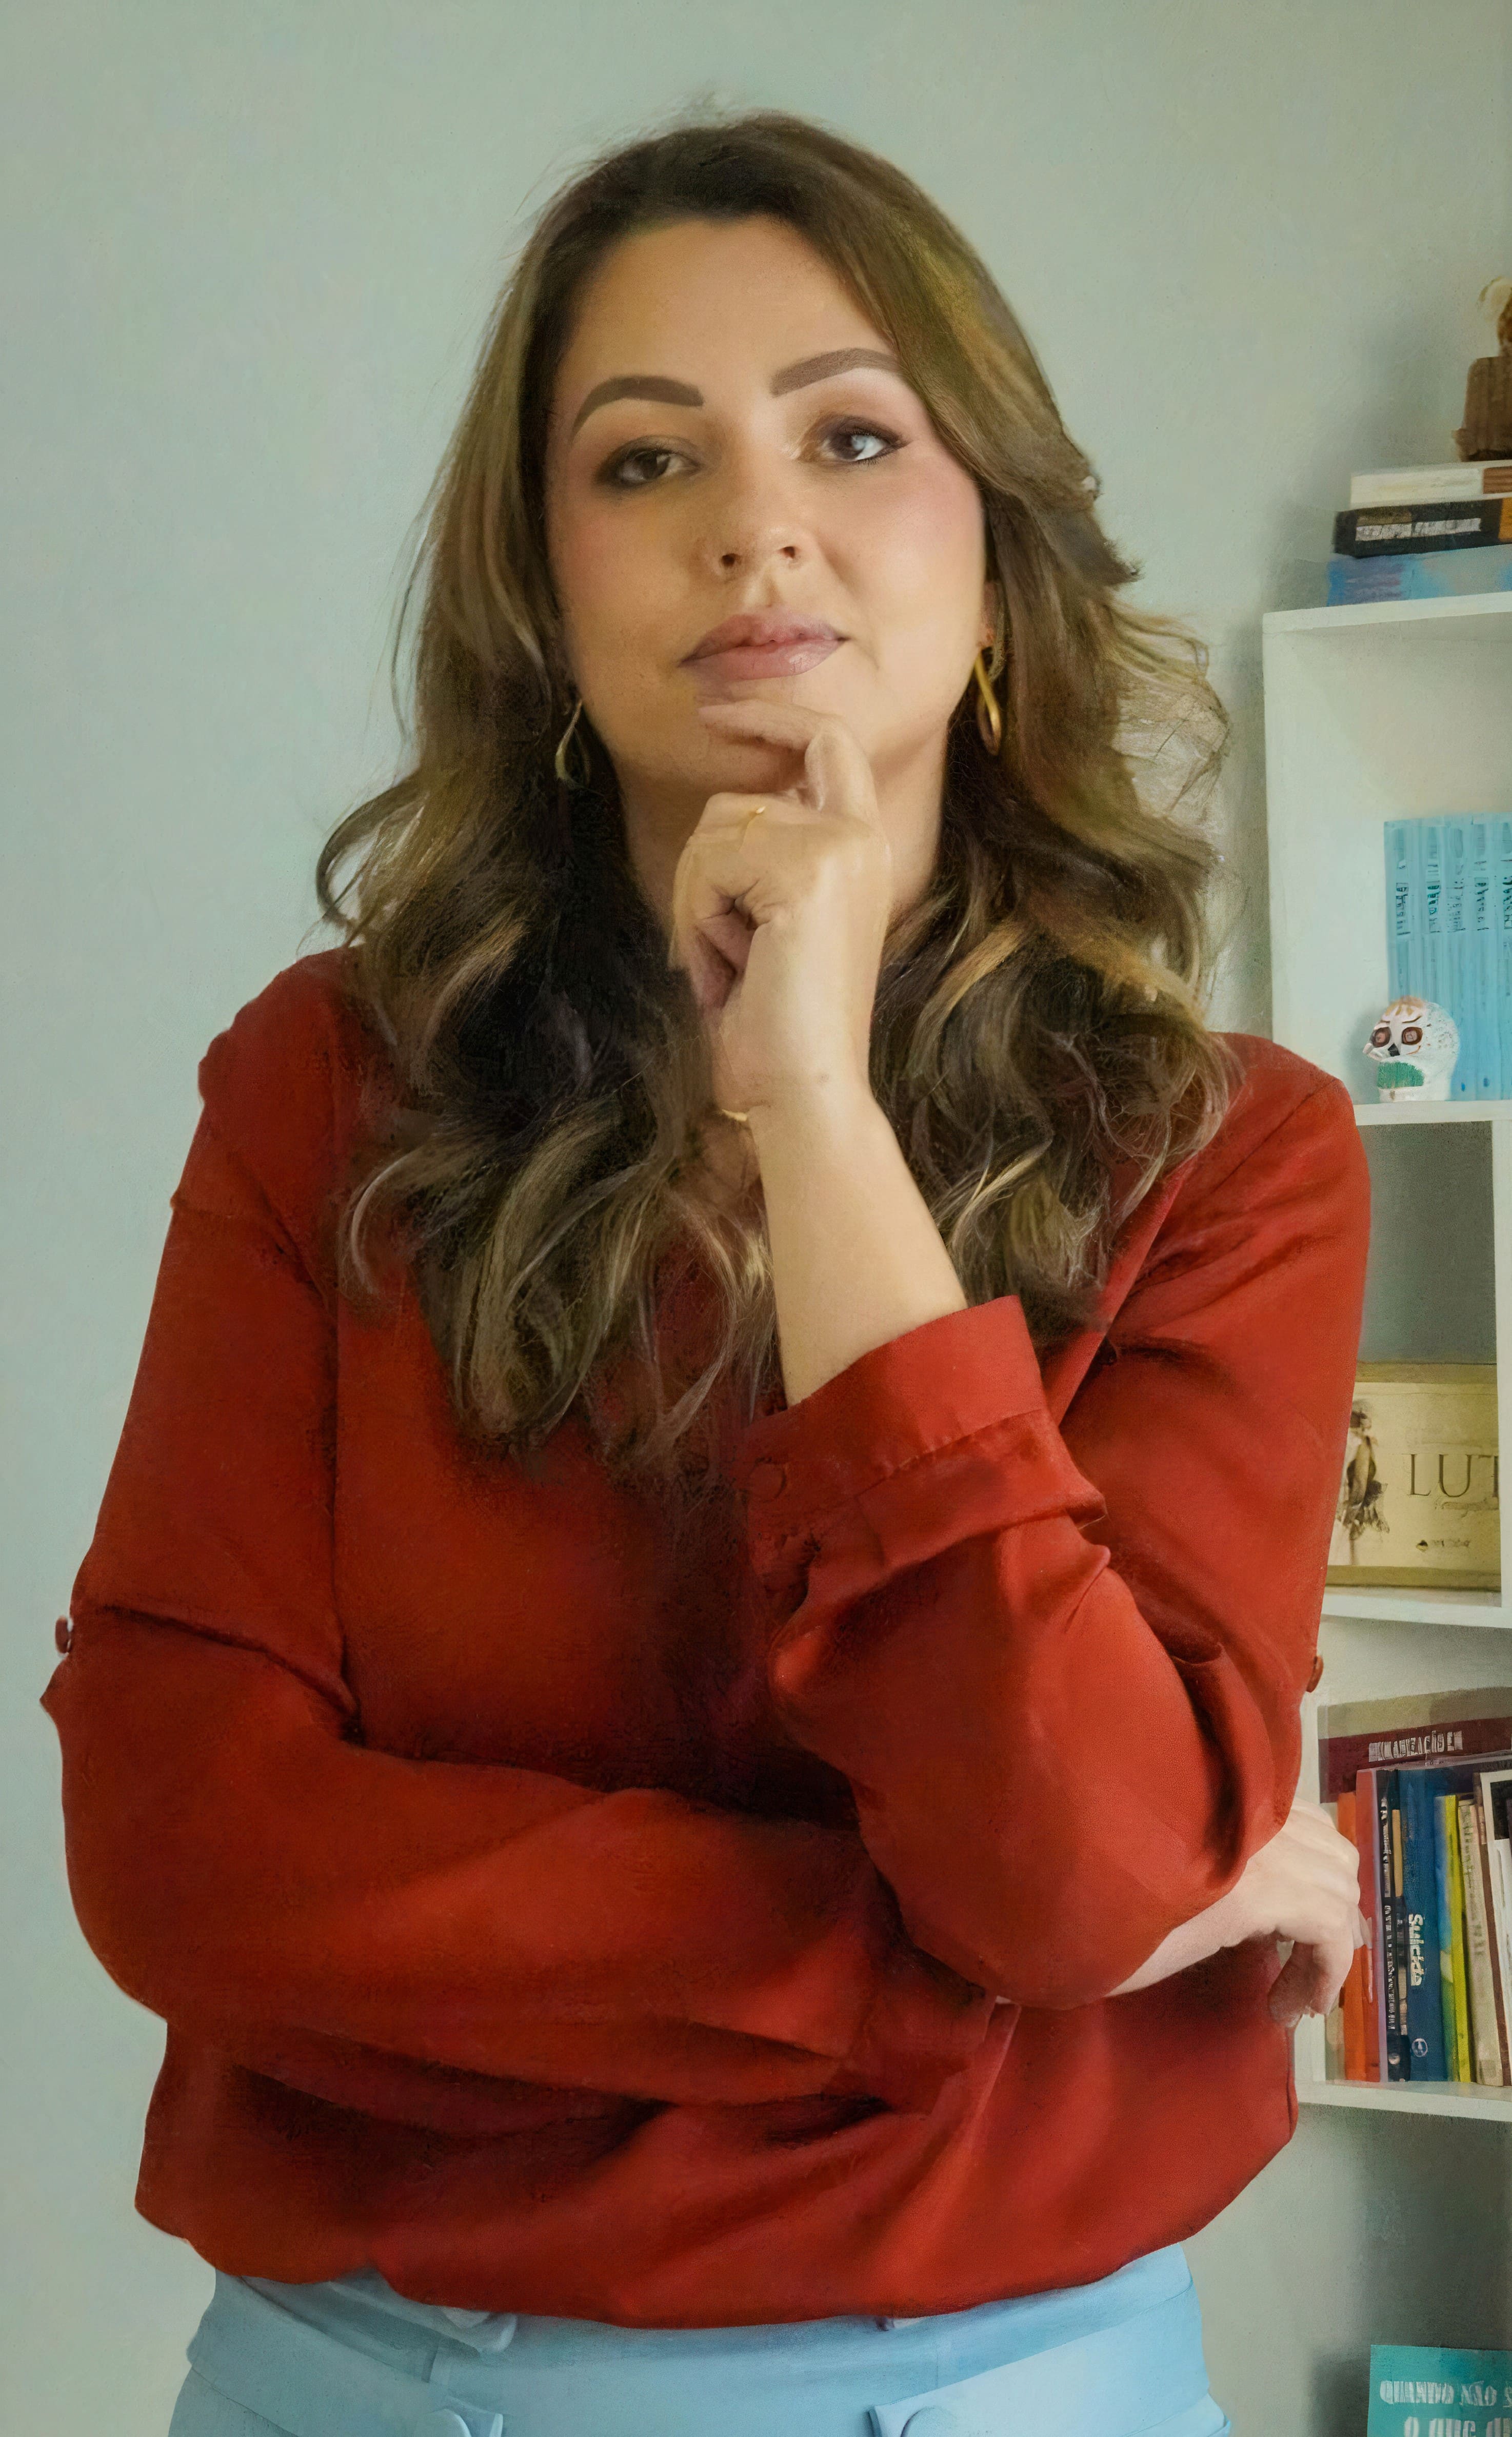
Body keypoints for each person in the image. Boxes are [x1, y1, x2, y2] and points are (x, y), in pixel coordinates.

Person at [42, 107, 1370, 2437]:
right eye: (643, 461)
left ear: (996, 563)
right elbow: (181, 1850)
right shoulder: (323, 1088)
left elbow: (1059, 1874)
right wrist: (917, 1973)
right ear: (544, 600)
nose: (753, 523)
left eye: (851, 436)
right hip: (350, 2390)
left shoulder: (1232, 1155)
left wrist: (814, 1112)